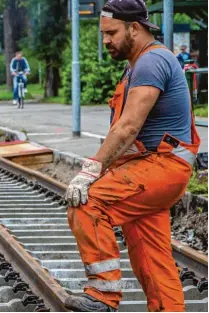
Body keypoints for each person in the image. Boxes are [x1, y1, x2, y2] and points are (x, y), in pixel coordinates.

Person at [63, 0, 200, 312]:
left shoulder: (151, 62)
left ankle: (102, 296)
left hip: (160, 167)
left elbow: (127, 127)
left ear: (134, 28)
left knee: (88, 203)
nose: (106, 40)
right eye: (103, 34)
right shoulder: (138, 65)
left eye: (111, 33)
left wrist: (90, 171)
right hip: (151, 170)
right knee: (152, 258)